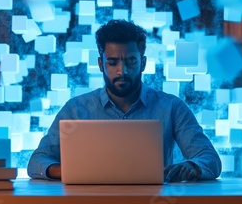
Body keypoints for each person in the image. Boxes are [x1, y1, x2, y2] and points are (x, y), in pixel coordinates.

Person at [27, 20, 222, 182]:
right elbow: (37, 161)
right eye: (112, 62)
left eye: (131, 61)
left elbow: (210, 159)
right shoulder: (76, 109)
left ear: (143, 63)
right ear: (101, 64)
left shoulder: (171, 107)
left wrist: (193, 167)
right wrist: (65, 171)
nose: (122, 71)